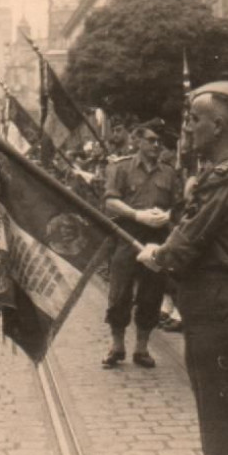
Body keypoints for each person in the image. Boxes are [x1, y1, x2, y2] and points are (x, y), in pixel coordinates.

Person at [137, 81, 228, 455]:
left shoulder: (227, 176)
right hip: (224, 306)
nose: (187, 129)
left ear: (217, 126)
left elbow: (184, 245)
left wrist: (156, 255)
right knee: (226, 430)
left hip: (222, 309)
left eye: (194, 120)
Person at [101, 121, 177, 369]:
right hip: (127, 236)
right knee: (119, 291)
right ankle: (117, 346)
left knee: (151, 294)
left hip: (157, 238)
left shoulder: (169, 172)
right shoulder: (120, 168)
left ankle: (142, 348)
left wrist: (169, 215)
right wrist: (136, 215)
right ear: (138, 141)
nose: (156, 145)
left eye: (158, 141)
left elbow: (182, 203)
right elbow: (110, 202)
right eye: (151, 140)